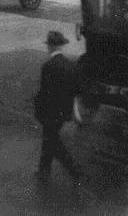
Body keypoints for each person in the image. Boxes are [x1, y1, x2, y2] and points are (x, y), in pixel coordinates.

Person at [34, 31, 82, 185]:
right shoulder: (70, 65)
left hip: (49, 112)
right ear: (61, 46)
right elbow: (76, 90)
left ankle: (74, 170)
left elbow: (44, 92)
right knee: (49, 139)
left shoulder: (48, 66)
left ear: (50, 46)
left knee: (53, 142)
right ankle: (44, 170)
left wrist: (38, 110)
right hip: (63, 112)